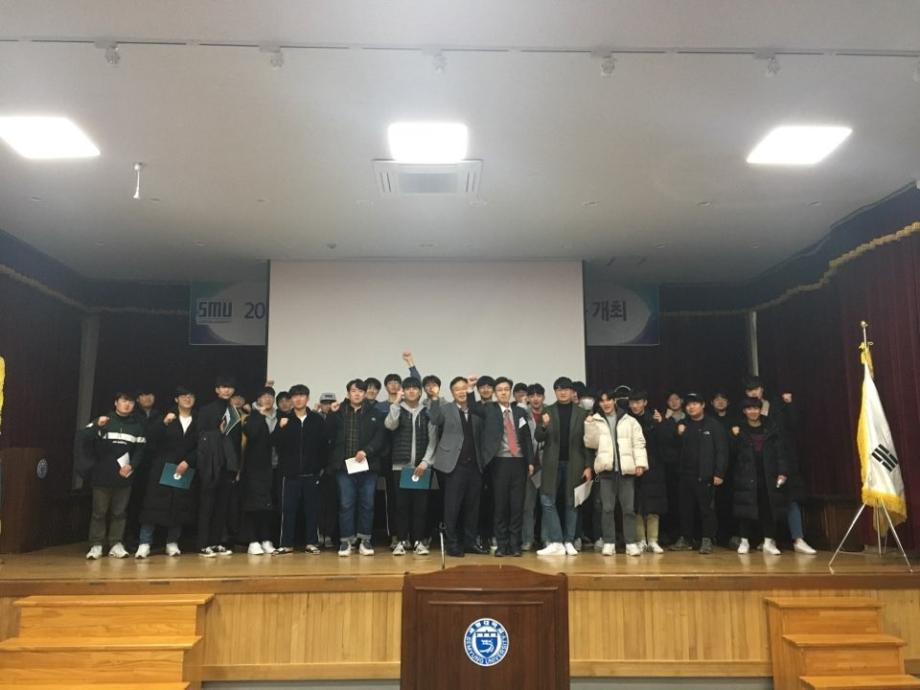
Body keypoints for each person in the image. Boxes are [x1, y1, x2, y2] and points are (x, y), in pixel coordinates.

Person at [743, 376, 816, 554]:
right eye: (750, 390)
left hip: (784, 459)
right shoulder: (744, 411)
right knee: (764, 501)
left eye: (756, 388)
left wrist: (789, 404)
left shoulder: (777, 404)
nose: (754, 392)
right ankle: (768, 539)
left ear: (762, 389)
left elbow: (794, 424)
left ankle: (798, 539)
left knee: (791, 498)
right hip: (760, 463)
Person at [80, 391, 147, 559]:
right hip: (102, 475)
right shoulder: (104, 421)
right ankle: (96, 544)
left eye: (131, 402)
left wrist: (132, 465)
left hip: (124, 476)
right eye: (124, 401)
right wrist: (96, 425)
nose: (127, 404)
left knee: (120, 513)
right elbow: (83, 438)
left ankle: (116, 543)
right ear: (116, 403)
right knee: (99, 512)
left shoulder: (137, 426)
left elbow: (140, 451)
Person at [326, 379, 387, 557]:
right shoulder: (338, 412)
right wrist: (330, 413)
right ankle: (346, 541)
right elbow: (327, 433)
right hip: (344, 467)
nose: (357, 394)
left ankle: (365, 540)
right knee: (346, 504)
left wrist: (367, 451)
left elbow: (380, 437)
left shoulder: (375, 413)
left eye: (361, 391)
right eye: (354, 391)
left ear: (365, 393)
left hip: (368, 466)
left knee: (367, 504)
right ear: (348, 393)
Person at [427, 376, 486, 557]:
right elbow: (435, 419)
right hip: (453, 465)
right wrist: (434, 398)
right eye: (457, 389)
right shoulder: (445, 409)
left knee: (473, 507)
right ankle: (452, 543)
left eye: (464, 388)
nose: (461, 392)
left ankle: (470, 542)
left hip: (475, 465)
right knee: (452, 507)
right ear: (452, 393)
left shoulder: (476, 410)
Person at [135, 386, 197, 558]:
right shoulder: (165, 416)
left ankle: (172, 542)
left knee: (179, 505)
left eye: (191, 396)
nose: (187, 399)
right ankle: (144, 542)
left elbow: (200, 444)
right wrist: (164, 423)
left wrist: (188, 461)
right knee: (153, 505)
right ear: (176, 399)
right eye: (183, 396)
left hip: (184, 467)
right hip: (162, 467)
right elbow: (150, 438)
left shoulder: (198, 419)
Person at [585, 389, 648, 556]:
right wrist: (589, 426)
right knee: (607, 509)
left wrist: (640, 463)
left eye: (608, 400)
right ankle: (609, 542)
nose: (605, 403)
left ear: (614, 401)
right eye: (602, 401)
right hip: (606, 472)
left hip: (626, 471)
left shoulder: (629, 420)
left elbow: (639, 443)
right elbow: (591, 444)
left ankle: (631, 543)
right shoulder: (595, 420)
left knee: (628, 509)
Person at [534, 377, 593, 556]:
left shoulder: (582, 413)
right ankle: (557, 541)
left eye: (566, 389)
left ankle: (569, 541)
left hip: (575, 463)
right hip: (552, 463)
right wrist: (544, 425)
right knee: (547, 500)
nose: (562, 392)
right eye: (559, 389)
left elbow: (587, 443)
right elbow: (538, 437)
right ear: (555, 392)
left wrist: (588, 466)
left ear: (572, 392)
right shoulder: (548, 410)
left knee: (571, 503)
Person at [478, 377, 535, 557]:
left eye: (506, 389)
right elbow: (472, 408)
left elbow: (526, 438)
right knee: (500, 505)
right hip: (499, 462)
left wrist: (531, 461)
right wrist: (471, 389)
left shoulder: (520, 412)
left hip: (519, 462)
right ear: (495, 393)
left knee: (517, 505)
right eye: (500, 390)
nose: (503, 392)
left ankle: (515, 544)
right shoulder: (489, 409)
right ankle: (502, 544)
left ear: (510, 391)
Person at [272, 384, 330, 555]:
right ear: (291, 399)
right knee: (288, 510)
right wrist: (280, 427)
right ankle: (286, 544)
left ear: (307, 398)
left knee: (312, 510)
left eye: (302, 395)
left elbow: (324, 446)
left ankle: (312, 542)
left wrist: (320, 467)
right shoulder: (285, 419)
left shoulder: (317, 420)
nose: (298, 399)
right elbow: (275, 443)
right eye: (295, 396)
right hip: (289, 474)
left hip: (312, 474)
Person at [384, 377, 437, 555]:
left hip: (421, 467)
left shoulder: (427, 412)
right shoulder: (398, 409)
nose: (411, 391)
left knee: (420, 507)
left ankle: (418, 541)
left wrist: (425, 462)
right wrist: (395, 404)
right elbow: (390, 425)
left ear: (420, 392)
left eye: (415, 388)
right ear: (403, 391)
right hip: (400, 467)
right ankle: (401, 541)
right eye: (408, 388)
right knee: (401, 506)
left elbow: (433, 441)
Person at [669, 393, 728, 555]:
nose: (691, 407)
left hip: (705, 475)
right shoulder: (683, 424)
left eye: (695, 404)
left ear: (703, 405)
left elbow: (722, 451)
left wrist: (719, 473)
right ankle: (686, 539)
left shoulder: (713, 425)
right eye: (688, 405)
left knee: (706, 510)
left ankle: (707, 539)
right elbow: (673, 448)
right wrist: (678, 434)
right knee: (685, 509)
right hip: (685, 475)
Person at [730, 397, 789, 555]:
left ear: (760, 409)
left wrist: (782, 472)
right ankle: (744, 541)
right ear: (744, 411)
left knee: (768, 509)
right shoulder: (738, 428)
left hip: (768, 474)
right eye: (749, 409)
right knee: (745, 509)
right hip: (746, 475)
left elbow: (781, 453)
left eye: (756, 408)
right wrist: (734, 437)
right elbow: (731, 453)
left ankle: (769, 542)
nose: (753, 412)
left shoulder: (771, 427)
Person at [196, 375, 242, 557]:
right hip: (210, 463)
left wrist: (237, 466)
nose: (226, 390)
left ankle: (216, 542)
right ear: (216, 389)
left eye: (229, 387)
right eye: (223, 386)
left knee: (222, 506)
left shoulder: (234, 411)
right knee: (207, 505)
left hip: (228, 464)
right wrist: (218, 432)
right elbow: (200, 436)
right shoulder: (207, 410)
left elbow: (237, 441)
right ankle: (203, 544)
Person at [627, 390, 668, 553]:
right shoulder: (626, 420)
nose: (635, 406)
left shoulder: (654, 418)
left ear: (645, 402)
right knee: (636, 505)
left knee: (653, 504)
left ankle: (653, 540)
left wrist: (661, 423)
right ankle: (640, 540)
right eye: (632, 402)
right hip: (633, 465)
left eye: (638, 402)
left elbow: (663, 443)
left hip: (653, 466)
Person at [241, 387, 280, 555]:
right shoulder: (251, 417)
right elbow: (250, 433)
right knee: (253, 505)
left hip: (274, 467)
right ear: (258, 400)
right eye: (264, 396)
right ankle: (253, 540)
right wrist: (259, 416)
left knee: (269, 506)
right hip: (255, 468)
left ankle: (266, 539)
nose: (268, 399)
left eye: (270, 396)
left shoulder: (280, 416)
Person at [522, 383, 546, 551]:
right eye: (532, 396)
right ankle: (527, 539)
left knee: (547, 505)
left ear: (543, 397)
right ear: (528, 398)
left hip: (546, 465)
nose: (536, 399)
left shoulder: (550, 413)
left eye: (539, 395)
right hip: (528, 465)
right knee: (527, 506)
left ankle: (546, 539)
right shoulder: (522, 415)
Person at [316, 392, 339, 548]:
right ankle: (319, 534)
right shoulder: (314, 419)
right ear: (320, 404)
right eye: (325, 403)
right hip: (316, 468)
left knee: (332, 503)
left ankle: (329, 535)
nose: (328, 406)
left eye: (331, 403)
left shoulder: (339, 419)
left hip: (334, 468)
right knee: (318, 504)